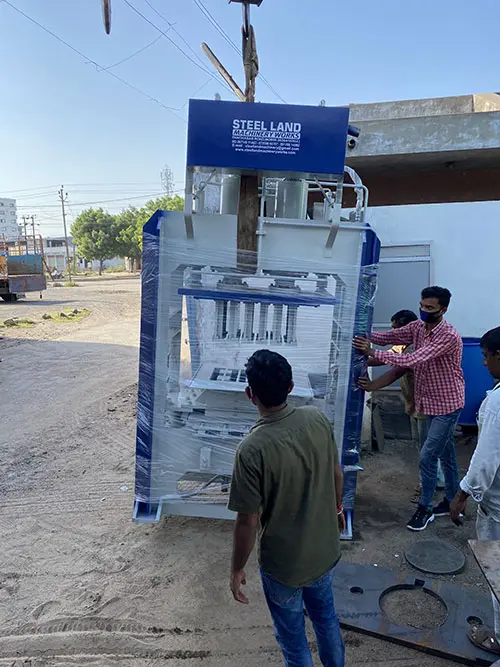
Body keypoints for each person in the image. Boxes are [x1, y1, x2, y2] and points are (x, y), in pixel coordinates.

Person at [228, 349, 345, 667]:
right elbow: (336, 474)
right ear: (291, 387)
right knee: (326, 619)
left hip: (284, 566)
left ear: (250, 394)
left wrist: (237, 568)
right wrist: (337, 509)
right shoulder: (316, 419)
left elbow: (248, 521)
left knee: (293, 642)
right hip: (323, 551)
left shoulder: (251, 450)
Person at [353, 286, 465, 531]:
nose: (424, 311)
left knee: (427, 456)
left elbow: (411, 359)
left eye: (430, 308)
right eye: (422, 306)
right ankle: (452, 500)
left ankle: (425, 508)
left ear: (444, 309)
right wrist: (360, 334)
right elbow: (389, 337)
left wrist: (371, 351)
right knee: (446, 454)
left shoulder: (448, 336)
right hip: (428, 403)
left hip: (447, 404)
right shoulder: (417, 328)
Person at [450, 326, 500, 658]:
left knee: (498, 574)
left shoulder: (497, 402)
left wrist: (462, 494)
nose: (483, 363)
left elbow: (485, 460)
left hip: (498, 508)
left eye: (485, 356)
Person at [359, 309, 445, 497]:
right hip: (415, 404)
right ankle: (435, 480)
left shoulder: (415, 348)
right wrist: (362, 359)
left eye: (395, 329)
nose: (393, 333)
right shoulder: (403, 345)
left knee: (426, 449)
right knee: (424, 445)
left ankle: (429, 487)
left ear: (405, 329)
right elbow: (385, 357)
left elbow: (396, 371)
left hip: (426, 405)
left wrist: (372, 385)